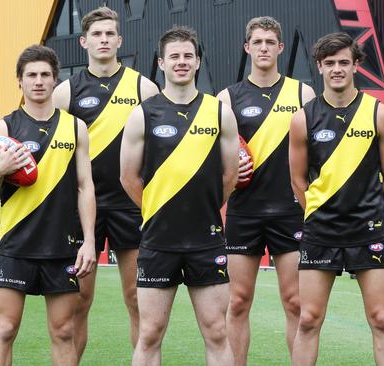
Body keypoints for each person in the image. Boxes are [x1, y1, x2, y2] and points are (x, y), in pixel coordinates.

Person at [120, 25, 238, 366]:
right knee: (150, 333)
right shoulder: (143, 114)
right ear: (161, 63)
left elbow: (229, 176)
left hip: (207, 239)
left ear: (198, 62)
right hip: (159, 240)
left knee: (217, 331)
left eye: (188, 56)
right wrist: (159, 211)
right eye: (174, 56)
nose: (181, 62)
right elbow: (128, 177)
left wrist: (203, 210)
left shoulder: (219, 112)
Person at [52, 6, 159, 358]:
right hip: (82, 207)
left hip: (130, 205)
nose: (103, 40)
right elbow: (55, 153)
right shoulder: (65, 92)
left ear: (119, 40)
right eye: (96, 34)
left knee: (137, 299)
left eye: (109, 34)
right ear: (84, 41)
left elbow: (161, 149)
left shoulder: (144, 87)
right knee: (79, 301)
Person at [0, 45, 97, 366]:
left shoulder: (75, 128)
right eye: (31, 75)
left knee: (63, 332)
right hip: (17, 244)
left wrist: (89, 241)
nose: (38, 81)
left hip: (62, 246)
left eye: (45, 75)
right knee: (5, 329)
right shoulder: (4, 128)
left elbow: (85, 186)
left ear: (55, 80)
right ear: (19, 81)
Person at [289, 32, 384, 366]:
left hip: (368, 230)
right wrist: (318, 215)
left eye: (343, 63)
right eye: (330, 63)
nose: (337, 69)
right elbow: (297, 180)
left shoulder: (379, 113)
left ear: (356, 65)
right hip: (321, 231)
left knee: (381, 319)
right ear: (320, 67)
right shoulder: (302, 118)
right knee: (308, 320)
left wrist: (375, 218)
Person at [216, 16, 315, 364]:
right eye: (257, 42)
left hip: (290, 211)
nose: (263, 48)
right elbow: (216, 153)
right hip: (244, 211)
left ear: (280, 48)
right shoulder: (227, 97)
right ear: (247, 48)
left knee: (295, 302)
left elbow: (314, 152)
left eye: (270, 42)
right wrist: (230, 166)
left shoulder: (303, 93)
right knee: (238, 301)